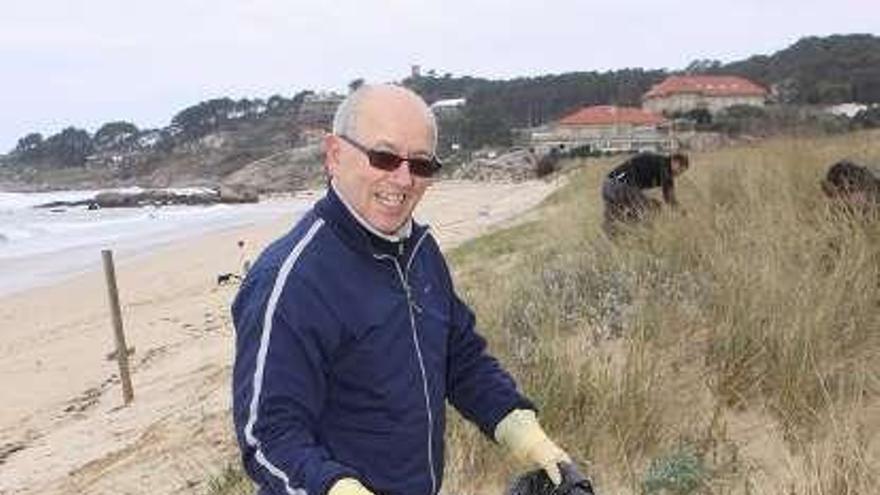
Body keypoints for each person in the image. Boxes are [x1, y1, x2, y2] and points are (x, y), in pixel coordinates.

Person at [231, 84, 591, 495]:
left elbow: (461, 360)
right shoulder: (289, 280)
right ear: (334, 154)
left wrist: (524, 433)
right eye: (384, 157)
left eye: (420, 164)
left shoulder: (418, 249)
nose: (402, 179)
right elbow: (269, 437)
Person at [601, 151, 689, 235]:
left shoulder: (661, 164)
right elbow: (669, 198)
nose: (679, 174)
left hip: (608, 185)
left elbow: (670, 198)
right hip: (620, 185)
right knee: (653, 208)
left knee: (613, 219)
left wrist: (682, 212)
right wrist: (683, 213)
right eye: (680, 169)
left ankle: (609, 238)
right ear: (674, 161)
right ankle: (635, 232)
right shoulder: (663, 166)